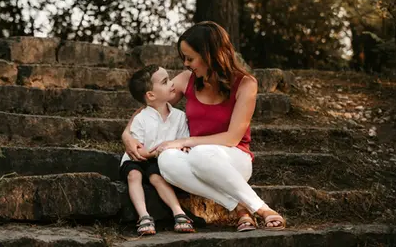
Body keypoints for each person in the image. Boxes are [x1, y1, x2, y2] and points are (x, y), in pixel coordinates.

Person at [122, 21, 286, 231]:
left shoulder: (245, 84)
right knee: (166, 160)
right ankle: (239, 206)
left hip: (234, 158)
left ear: (210, 55)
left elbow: (232, 138)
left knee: (199, 154)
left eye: (190, 58)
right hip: (194, 159)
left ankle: (261, 209)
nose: (186, 64)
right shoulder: (186, 80)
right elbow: (151, 106)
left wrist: (183, 141)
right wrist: (127, 135)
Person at [120, 64, 195, 235]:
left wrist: (180, 150)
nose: (171, 83)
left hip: (160, 161)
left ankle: (178, 212)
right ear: (151, 95)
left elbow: (183, 142)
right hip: (137, 159)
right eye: (165, 81)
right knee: (134, 175)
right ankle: (144, 216)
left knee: (156, 177)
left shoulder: (179, 116)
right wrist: (155, 152)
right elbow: (138, 150)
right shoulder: (141, 118)